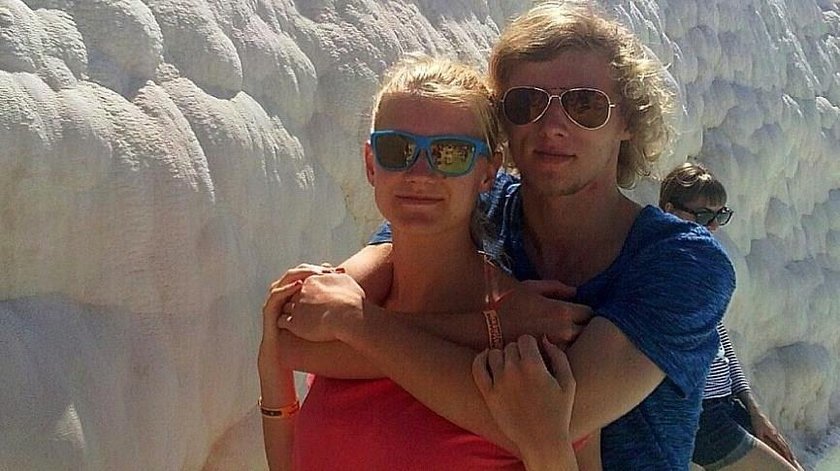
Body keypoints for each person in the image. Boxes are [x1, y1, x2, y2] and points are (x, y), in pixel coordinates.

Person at [271, 1, 735, 469]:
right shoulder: (472, 201)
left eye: (585, 105)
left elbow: (551, 420)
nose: (553, 126)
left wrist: (359, 327)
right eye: (527, 103)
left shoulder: (682, 261)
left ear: (628, 120)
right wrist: (494, 327)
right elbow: (300, 339)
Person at [259, 55, 581, 470]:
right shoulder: (339, 314)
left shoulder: (533, 345)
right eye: (398, 149)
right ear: (371, 164)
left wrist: (353, 324)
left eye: (451, 154)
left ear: (488, 173)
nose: (420, 172)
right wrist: (271, 362)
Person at [660, 162, 803, 471]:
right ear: (669, 210)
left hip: (724, 406)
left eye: (720, 216)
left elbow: (722, 345)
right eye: (703, 216)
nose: (713, 226)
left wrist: (753, 409)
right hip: (698, 417)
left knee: (791, 462)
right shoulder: (660, 268)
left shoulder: (699, 265)